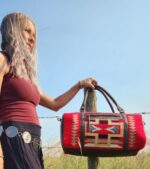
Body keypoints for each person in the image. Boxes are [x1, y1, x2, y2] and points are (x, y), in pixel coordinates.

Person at [0, 12, 98, 169]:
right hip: (14, 133)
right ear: (12, 30)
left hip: (33, 137)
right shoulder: (3, 60)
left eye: (34, 34)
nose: (32, 38)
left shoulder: (26, 76)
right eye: (26, 30)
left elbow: (55, 104)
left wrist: (79, 84)